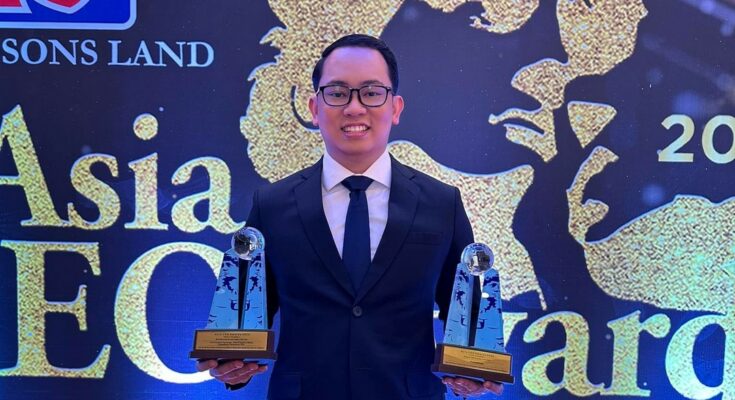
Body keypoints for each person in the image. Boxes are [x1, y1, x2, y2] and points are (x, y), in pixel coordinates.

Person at [197, 34, 503, 399]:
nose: (355, 108)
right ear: (314, 107)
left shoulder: (442, 204)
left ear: (396, 107)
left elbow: (465, 313)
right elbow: (245, 314)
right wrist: (232, 368)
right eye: (338, 93)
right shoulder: (272, 205)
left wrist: (474, 372)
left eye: (372, 92)